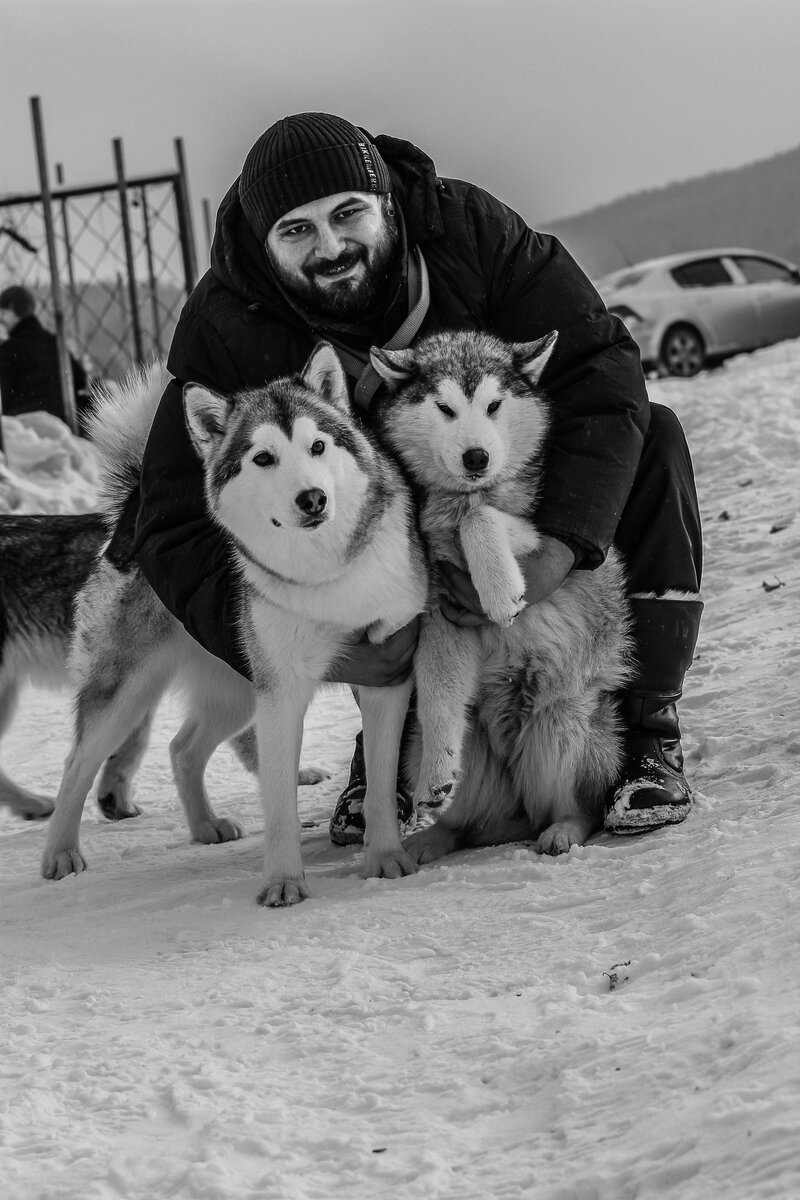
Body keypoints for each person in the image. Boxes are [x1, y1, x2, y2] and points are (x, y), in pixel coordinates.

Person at [119, 112, 703, 846]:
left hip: (507, 481)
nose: (330, 247)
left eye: (347, 214)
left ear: (387, 203)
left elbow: (602, 372)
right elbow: (171, 524)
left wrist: (560, 547)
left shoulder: (471, 233)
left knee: (658, 436)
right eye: (296, 231)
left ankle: (647, 733)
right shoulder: (227, 321)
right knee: (366, 485)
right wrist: (320, 653)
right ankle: (385, 755)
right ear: (264, 250)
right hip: (387, 542)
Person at [0, 285, 89, 427]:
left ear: (13, 309)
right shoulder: (54, 342)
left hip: (26, 427)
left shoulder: (8, 350)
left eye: (3, 313)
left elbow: (6, 397)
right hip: (63, 423)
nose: (1, 319)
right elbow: (80, 378)